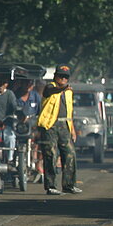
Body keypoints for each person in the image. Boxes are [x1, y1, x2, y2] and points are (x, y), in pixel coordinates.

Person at [37, 64, 81, 195]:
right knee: (50, 154)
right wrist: (62, 88)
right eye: (61, 76)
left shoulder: (69, 92)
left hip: (64, 126)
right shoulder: (50, 87)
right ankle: (51, 186)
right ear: (55, 76)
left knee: (70, 154)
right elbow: (50, 92)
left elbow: (69, 112)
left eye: (65, 77)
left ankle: (69, 185)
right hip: (49, 125)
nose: (63, 79)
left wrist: (72, 129)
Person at [0, 78, 19, 170]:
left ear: (6, 84)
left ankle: (10, 159)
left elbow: (14, 107)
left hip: (6, 124)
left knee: (10, 137)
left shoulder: (9, 94)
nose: (0, 86)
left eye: (2, 83)